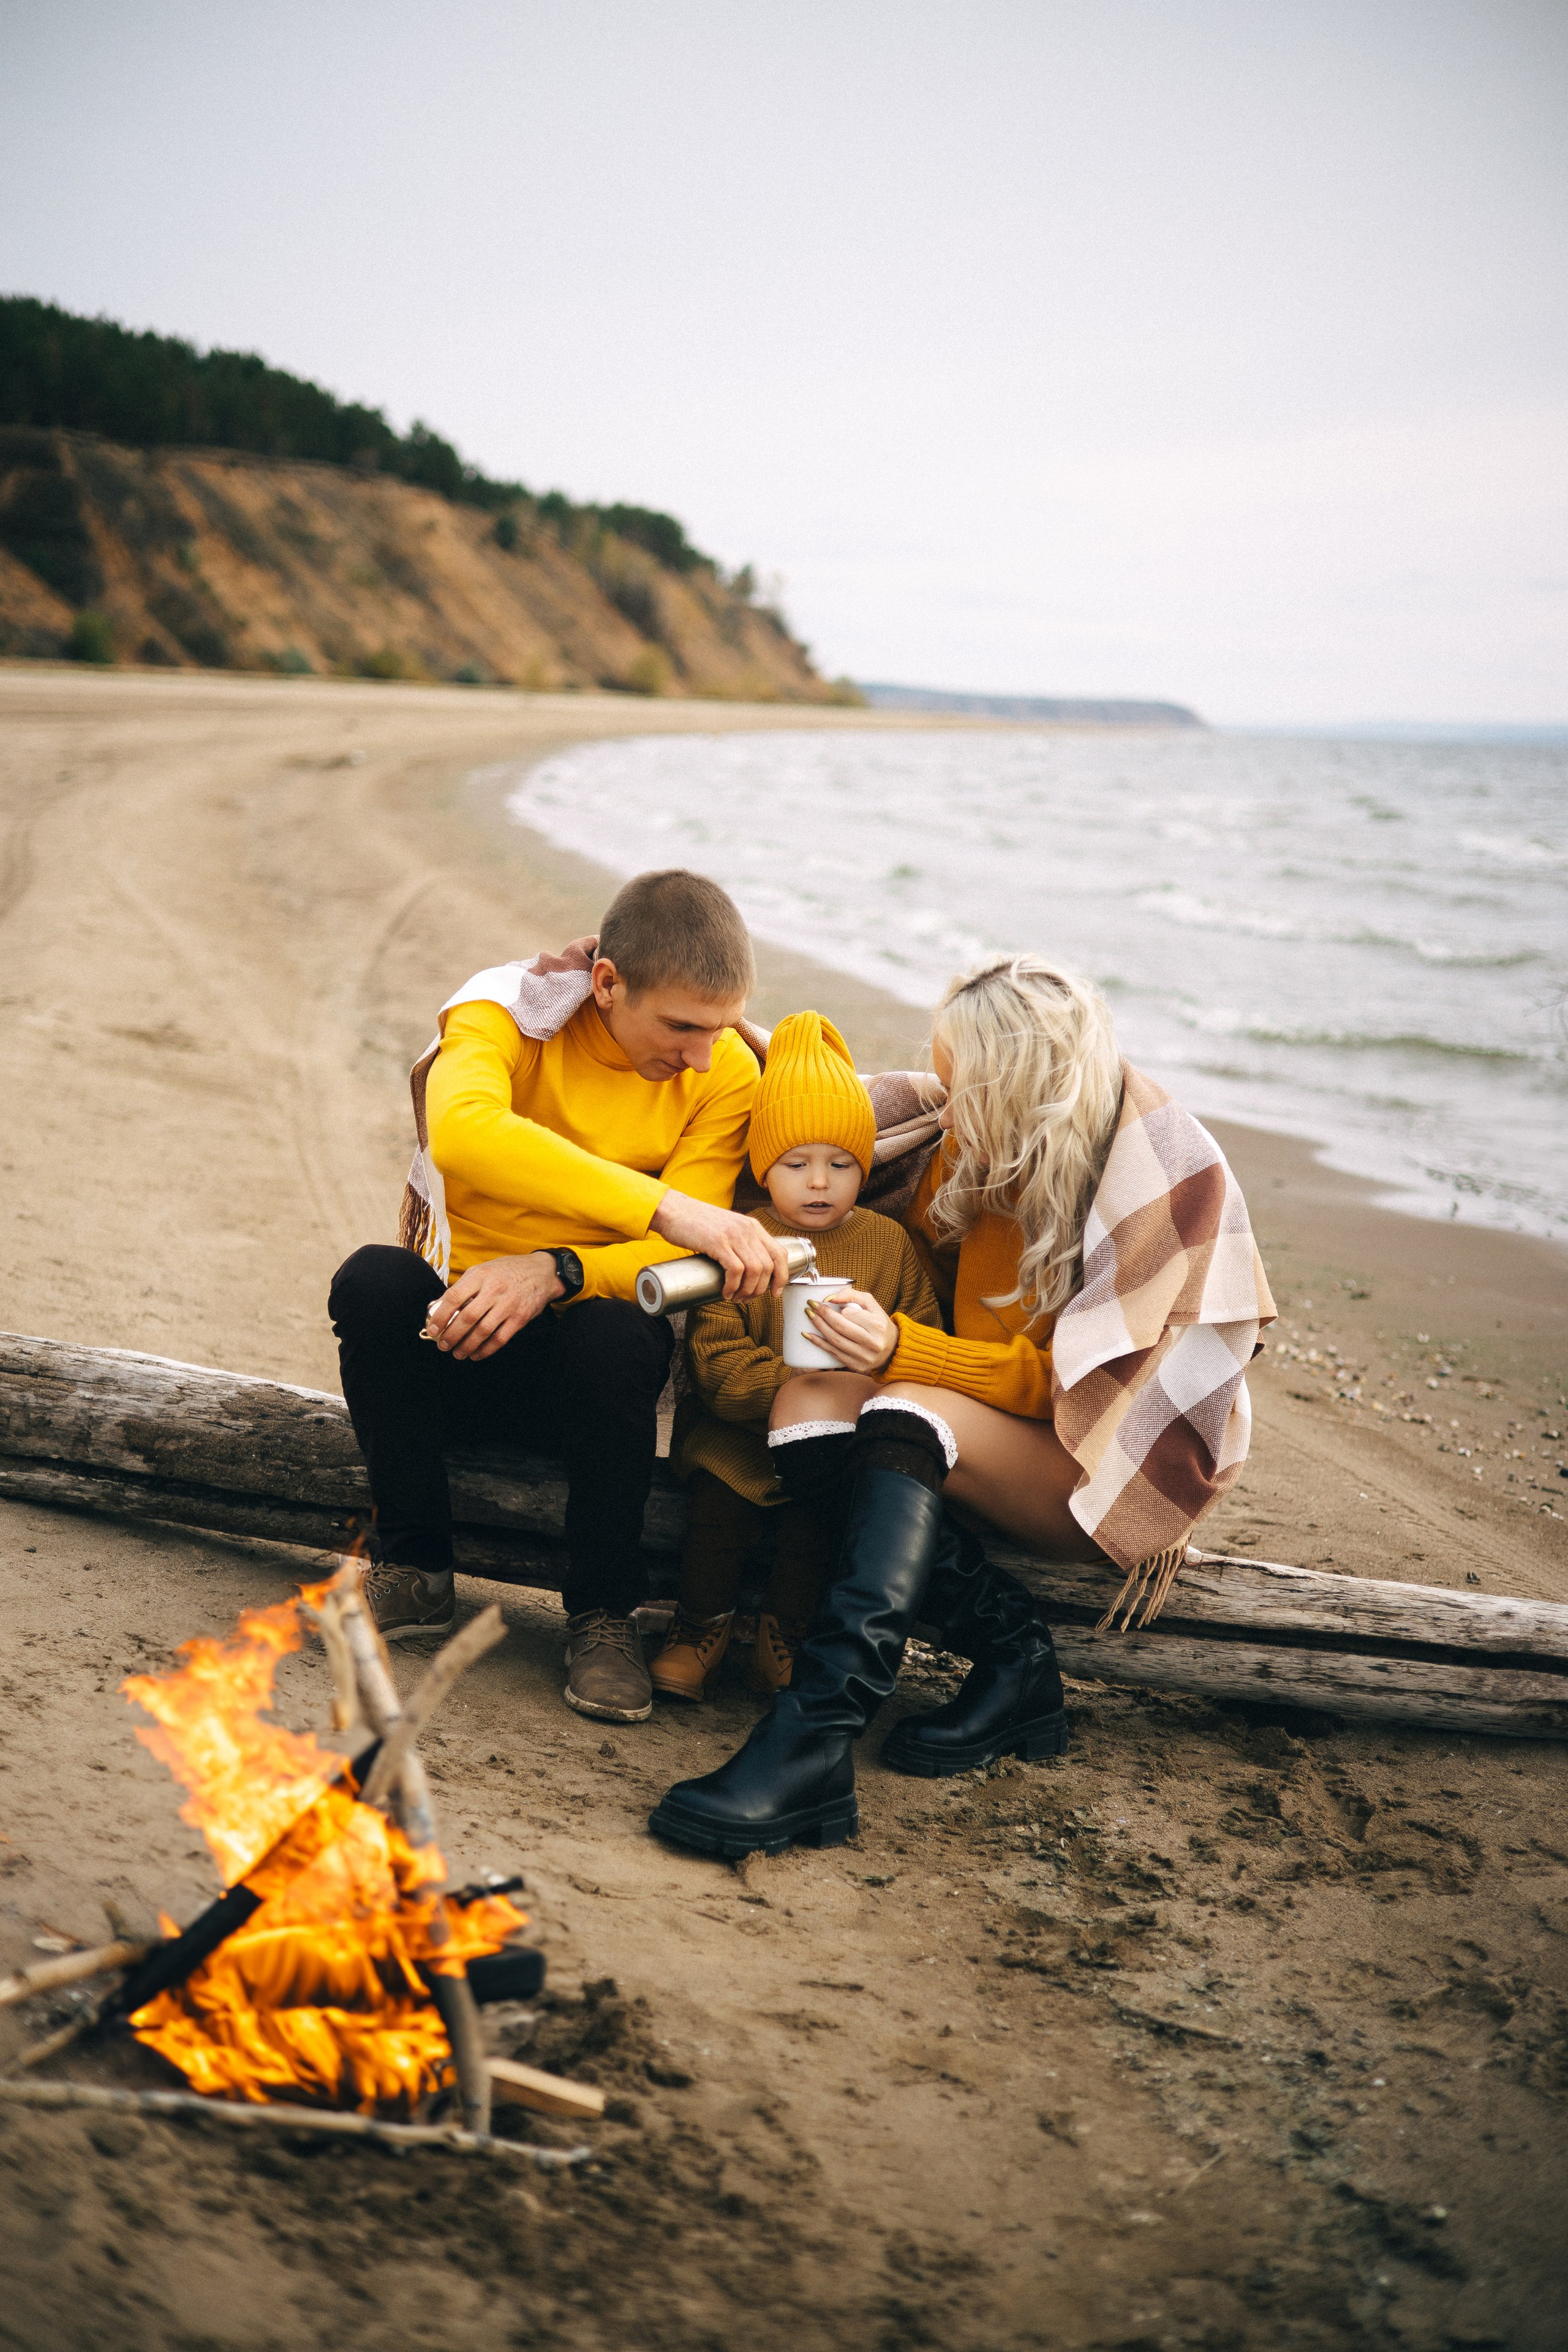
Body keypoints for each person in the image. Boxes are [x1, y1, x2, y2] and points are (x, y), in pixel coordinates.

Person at [650, 953, 1273, 1858]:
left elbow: (1082, 1391)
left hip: (1078, 1462)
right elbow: (830, 1107)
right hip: (968, 1439)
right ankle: (1015, 1658)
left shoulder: (1146, 1175)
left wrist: (907, 1350)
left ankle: (816, 1736)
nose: (944, 1105)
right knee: (809, 1396)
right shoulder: (962, 1151)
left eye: (961, 1084)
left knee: (904, 1406)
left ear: (1016, 1084)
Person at [328, 869, 793, 1725]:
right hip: (457, 1345)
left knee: (624, 1330)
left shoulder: (725, 1069)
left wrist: (555, 1269)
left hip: (588, 1387)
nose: (701, 1052)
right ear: (608, 984)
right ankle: (415, 1565)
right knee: (372, 1281)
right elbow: (466, 1132)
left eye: (719, 1028)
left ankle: (603, 1616)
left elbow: (669, 1258)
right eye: (682, 1025)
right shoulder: (503, 1011)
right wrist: (666, 1203)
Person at [651, 1011, 942, 1704]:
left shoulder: (886, 1244)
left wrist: (860, 1382)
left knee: (815, 1531)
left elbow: (919, 1341)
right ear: (763, 1167)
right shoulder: (741, 1239)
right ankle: (699, 1630)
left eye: (841, 1165)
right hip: (736, 1435)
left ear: (864, 1167)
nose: (819, 1182)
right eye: (796, 1164)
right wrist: (796, 1388)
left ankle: (784, 1640)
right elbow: (714, 1362)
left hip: (835, 1445)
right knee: (716, 1516)